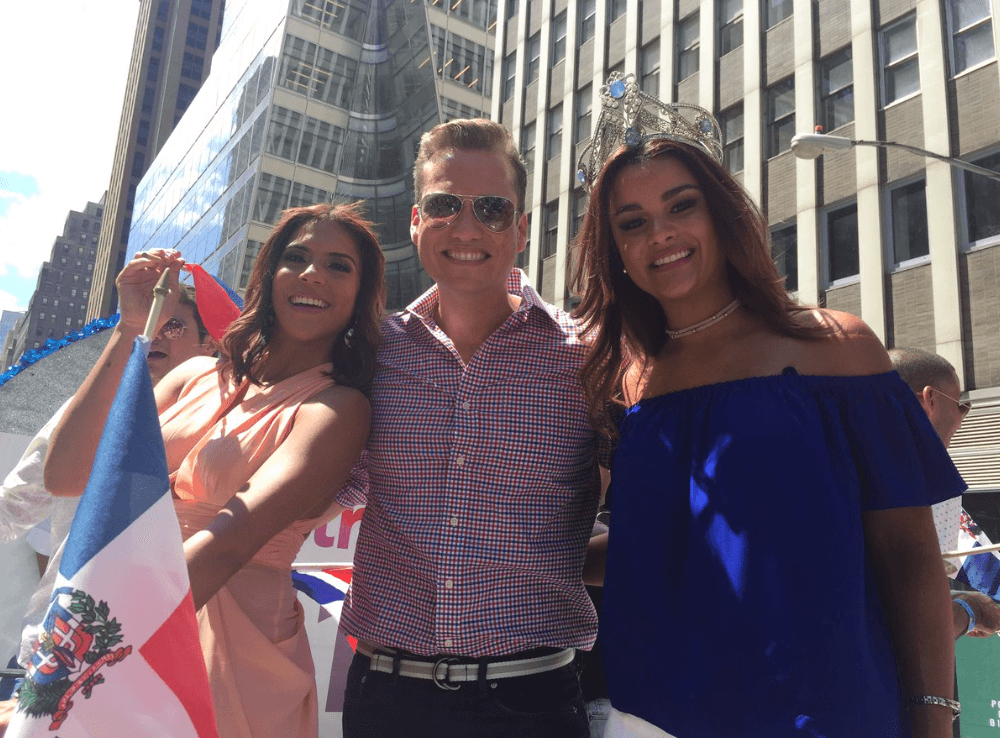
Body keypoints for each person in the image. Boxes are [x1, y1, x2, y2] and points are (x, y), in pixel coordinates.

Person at [573, 72, 962, 738]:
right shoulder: (622, 380)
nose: (659, 233)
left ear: (721, 215)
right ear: (617, 252)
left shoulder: (835, 347)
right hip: (657, 711)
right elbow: (660, 544)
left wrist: (934, 715)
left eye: (681, 206)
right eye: (632, 223)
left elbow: (908, 553)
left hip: (827, 707)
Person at [42, 201, 385, 738]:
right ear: (269, 275)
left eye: (339, 265)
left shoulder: (339, 409)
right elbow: (65, 474)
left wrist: (86, 665)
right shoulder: (193, 375)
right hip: (124, 617)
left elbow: (227, 543)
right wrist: (132, 328)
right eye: (297, 257)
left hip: (228, 649)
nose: (314, 273)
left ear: (360, 297)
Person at [333, 118, 604, 738]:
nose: (466, 226)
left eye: (491, 208)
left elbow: (647, 511)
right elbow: (328, 487)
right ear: (415, 221)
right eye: (444, 205)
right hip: (385, 699)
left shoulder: (588, 357)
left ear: (522, 228)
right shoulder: (370, 353)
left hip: (532, 701)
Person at [0, 285, 216, 733]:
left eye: (172, 325)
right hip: (67, 655)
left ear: (208, 343)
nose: (156, 334)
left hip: (180, 656)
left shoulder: (230, 427)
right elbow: (12, 507)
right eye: (150, 322)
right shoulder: (86, 415)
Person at [888, 347, 1000, 640]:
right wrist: (971, 609)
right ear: (930, 399)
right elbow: (919, 625)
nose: (961, 419)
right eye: (961, 405)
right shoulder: (929, 480)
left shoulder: (824, 469)